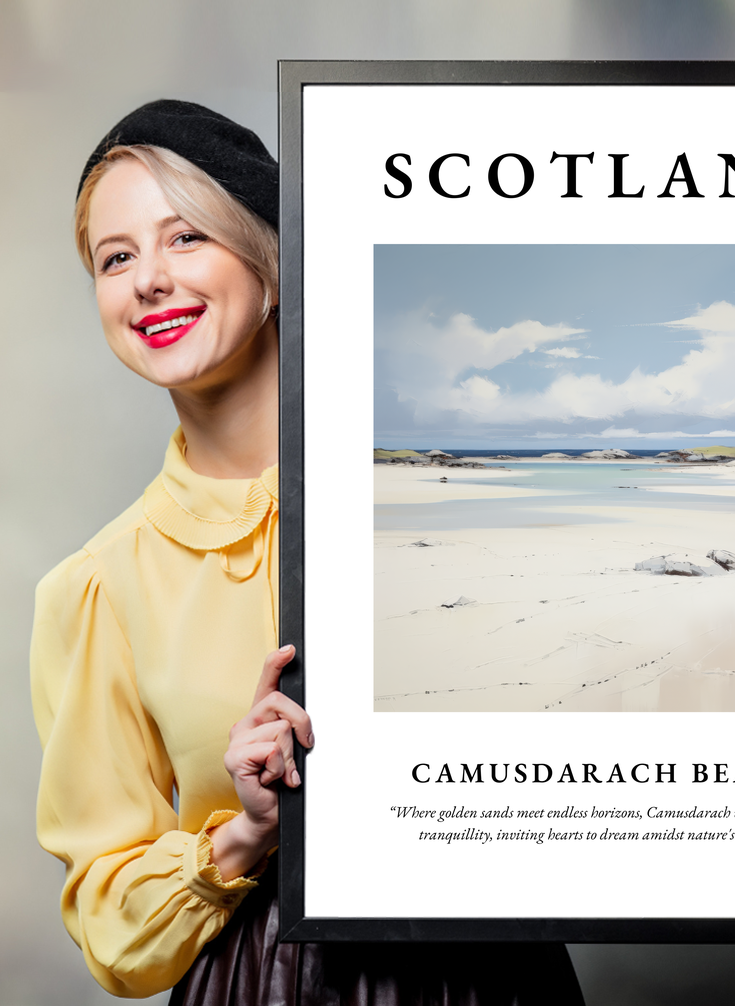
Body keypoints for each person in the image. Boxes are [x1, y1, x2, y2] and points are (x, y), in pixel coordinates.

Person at [30, 100, 585, 1004]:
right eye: (116, 257)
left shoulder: (439, 504)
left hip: (493, 973)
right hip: (262, 981)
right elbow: (110, 924)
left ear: (274, 264)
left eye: (186, 239)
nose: (148, 281)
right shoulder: (98, 587)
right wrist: (245, 832)